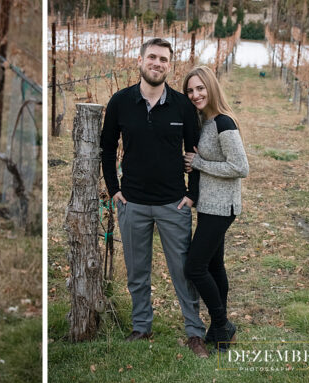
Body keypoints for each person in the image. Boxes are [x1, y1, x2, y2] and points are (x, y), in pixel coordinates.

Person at [100, 38, 208, 357]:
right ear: (140, 61)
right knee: (137, 270)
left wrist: (192, 194)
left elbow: (195, 152)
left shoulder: (182, 106)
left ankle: (194, 333)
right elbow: (107, 149)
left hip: (173, 204)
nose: (157, 63)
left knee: (183, 271)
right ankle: (141, 326)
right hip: (131, 202)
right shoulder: (120, 102)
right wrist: (114, 190)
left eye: (163, 59)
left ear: (169, 66)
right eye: (152, 57)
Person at [182, 66, 249, 353]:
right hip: (209, 205)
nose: (195, 94)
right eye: (190, 90)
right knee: (213, 265)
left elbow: (240, 167)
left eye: (200, 88)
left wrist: (199, 164)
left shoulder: (223, 123)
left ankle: (222, 325)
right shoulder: (203, 121)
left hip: (222, 207)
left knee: (195, 267)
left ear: (211, 87)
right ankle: (217, 328)